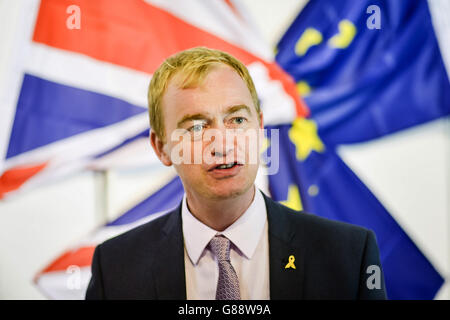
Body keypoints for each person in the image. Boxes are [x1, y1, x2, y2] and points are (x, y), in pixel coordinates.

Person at [86, 47, 386, 300]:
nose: (222, 144)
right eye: (196, 127)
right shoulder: (114, 269)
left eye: (237, 119)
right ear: (162, 148)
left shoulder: (348, 257)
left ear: (259, 128)